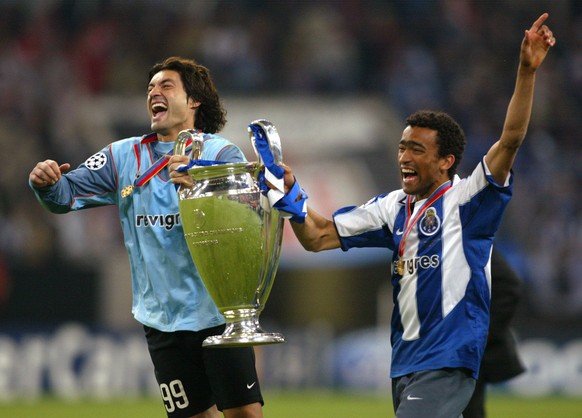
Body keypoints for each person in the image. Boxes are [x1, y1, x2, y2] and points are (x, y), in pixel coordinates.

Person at [217, 13, 552, 418]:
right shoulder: (390, 208)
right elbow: (318, 235)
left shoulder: (469, 199)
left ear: (447, 161)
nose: (404, 158)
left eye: (417, 150)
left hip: (448, 360)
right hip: (405, 364)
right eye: (401, 147)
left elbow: (511, 139)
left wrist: (526, 70)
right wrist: (290, 197)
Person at [29, 57, 264, 418]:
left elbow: (246, 221)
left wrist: (200, 185)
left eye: (166, 85)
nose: (154, 92)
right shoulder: (122, 156)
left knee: (244, 415)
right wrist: (44, 183)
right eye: (150, 88)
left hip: (216, 313)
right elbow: (66, 195)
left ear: (193, 101)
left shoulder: (219, 153)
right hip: (163, 322)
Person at [463, 248, 525, 418]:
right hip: (446, 349)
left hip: (469, 352)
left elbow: (510, 286)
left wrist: (482, 332)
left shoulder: (471, 244)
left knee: (469, 410)